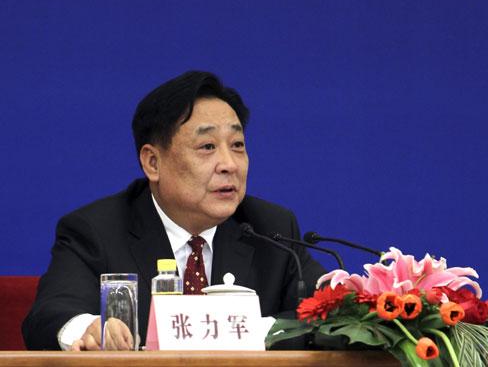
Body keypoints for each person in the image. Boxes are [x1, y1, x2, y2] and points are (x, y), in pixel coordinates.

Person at [22, 71, 325, 350]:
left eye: (237, 145)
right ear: (153, 163)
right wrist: (87, 328)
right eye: (207, 147)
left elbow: (331, 314)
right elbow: (49, 316)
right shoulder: (97, 230)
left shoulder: (270, 228)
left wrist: (254, 332)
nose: (229, 164)